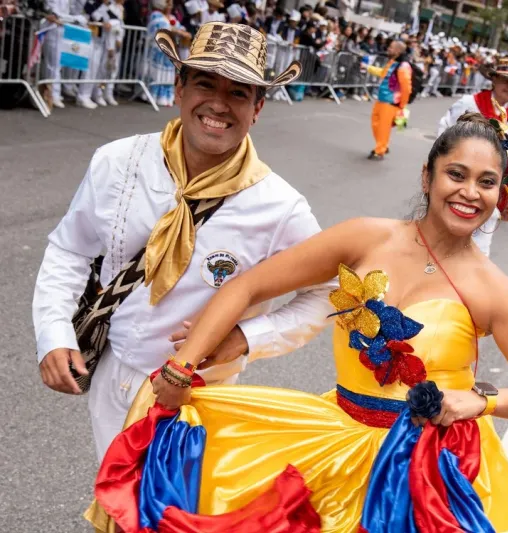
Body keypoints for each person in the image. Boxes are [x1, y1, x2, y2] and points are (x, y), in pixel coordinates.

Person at [87, 114, 508, 532]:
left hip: (423, 472)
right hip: (333, 437)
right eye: (456, 174)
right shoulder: (365, 238)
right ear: (427, 177)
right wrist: (181, 366)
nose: (469, 193)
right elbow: (249, 286)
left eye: (487, 182)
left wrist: (481, 401)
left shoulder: (493, 290)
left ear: (500, 193)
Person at [32, 23, 333, 465]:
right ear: (178, 88)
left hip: (200, 397)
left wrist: (247, 336)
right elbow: (70, 249)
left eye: (238, 93)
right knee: (114, 501)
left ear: (258, 108)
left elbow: (326, 293)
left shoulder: (280, 208)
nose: (218, 104)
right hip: (112, 372)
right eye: (205, 84)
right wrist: (53, 331)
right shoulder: (118, 160)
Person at [437, 57, 508, 256]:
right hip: (457, 178)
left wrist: (504, 155)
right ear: (494, 79)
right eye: (505, 80)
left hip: (489, 188)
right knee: (443, 228)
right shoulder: (470, 103)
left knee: (479, 243)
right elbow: (444, 131)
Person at [365, 39, 412, 161]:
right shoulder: (392, 62)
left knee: (383, 127)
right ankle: (382, 145)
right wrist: (368, 68)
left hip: (391, 102)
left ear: (397, 50)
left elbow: (406, 88)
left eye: (391, 47)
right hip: (381, 98)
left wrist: (401, 105)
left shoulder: (403, 66)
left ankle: (380, 150)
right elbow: (383, 73)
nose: (388, 49)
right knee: (375, 124)